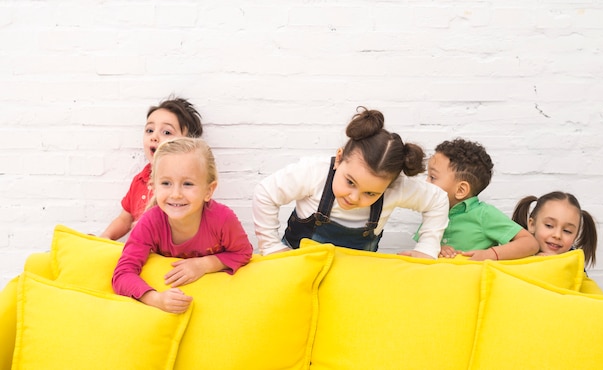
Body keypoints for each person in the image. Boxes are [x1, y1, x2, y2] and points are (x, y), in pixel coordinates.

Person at [253, 107, 449, 259]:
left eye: (370, 194)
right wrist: (270, 246)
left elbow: (437, 199)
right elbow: (266, 193)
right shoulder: (315, 172)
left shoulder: (396, 187)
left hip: (354, 277)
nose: (354, 197)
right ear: (339, 158)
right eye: (350, 182)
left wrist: (428, 248)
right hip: (297, 267)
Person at [112, 137, 253, 313]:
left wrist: (204, 265)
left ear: (208, 190)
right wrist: (156, 299)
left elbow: (244, 252)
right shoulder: (150, 223)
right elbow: (122, 274)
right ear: (154, 186)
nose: (176, 194)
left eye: (187, 184)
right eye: (166, 183)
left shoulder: (223, 219)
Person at [100, 96, 204, 240]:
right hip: (140, 254)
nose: (154, 137)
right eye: (149, 130)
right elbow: (125, 218)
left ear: (187, 144)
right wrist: (105, 237)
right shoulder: (140, 179)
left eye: (166, 132)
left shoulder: (186, 185)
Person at [423, 138, 539, 260]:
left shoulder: (484, 214)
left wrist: (491, 254)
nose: (426, 182)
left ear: (461, 190)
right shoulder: (432, 213)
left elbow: (530, 244)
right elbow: (425, 246)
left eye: (432, 177)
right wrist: (435, 248)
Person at [511, 191, 598, 268]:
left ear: (575, 236)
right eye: (549, 225)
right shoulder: (514, 253)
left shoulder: (575, 266)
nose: (557, 235)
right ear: (532, 225)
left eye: (567, 231)